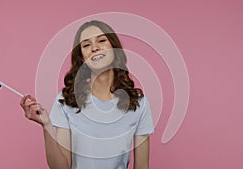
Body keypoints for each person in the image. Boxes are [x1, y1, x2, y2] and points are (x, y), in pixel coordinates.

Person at [20, 20, 154, 169]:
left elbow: (142, 166)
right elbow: (61, 167)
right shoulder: (66, 101)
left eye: (101, 40)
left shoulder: (138, 103)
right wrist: (46, 126)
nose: (95, 48)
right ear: (82, 58)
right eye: (86, 45)